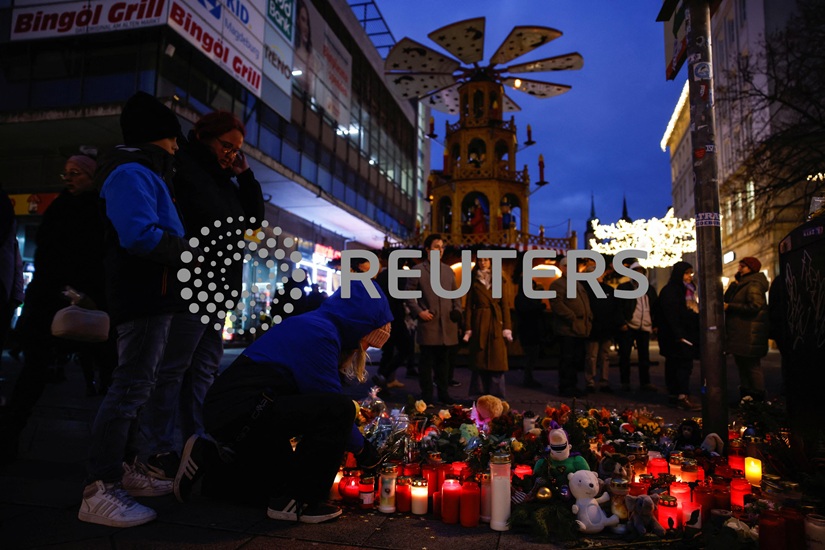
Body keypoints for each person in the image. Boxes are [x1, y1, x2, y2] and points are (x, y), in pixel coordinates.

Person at [172, 279, 392, 523]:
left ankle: (208, 460)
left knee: (274, 486)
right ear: (358, 325)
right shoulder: (320, 334)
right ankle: (300, 501)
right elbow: (330, 404)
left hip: (241, 409)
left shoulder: (316, 324)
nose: (365, 350)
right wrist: (363, 450)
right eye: (368, 341)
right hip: (245, 409)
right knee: (340, 410)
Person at [78, 92, 195, 527]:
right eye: (173, 137)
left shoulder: (143, 170)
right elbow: (139, 235)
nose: (178, 145)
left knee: (136, 388)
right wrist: (188, 253)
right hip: (143, 293)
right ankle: (100, 487)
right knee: (129, 389)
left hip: (150, 292)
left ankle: (121, 472)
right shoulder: (132, 172)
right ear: (156, 136)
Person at [140, 110, 264, 481]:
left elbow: (253, 224)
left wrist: (245, 176)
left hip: (218, 293)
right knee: (173, 369)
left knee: (204, 372)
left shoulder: (226, 182)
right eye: (227, 146)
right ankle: (158, 448)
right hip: (192, 288)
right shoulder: (185, 170)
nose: (231, 154)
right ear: (203, 137)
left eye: (237, 149)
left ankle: (197, 443)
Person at [1, 154, 117, 460]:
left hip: (68, 298)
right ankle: (117, 447)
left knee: (39, 372)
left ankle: (10, 435)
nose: (68, 178)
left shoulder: (88, 209)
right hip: (67, 298)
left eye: (76, 173)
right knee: (40, 371)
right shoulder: (84, 209)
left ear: (91, 176)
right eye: (66, 173)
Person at [406, 234, 462, 404]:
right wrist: (419, 312)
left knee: (443, 363)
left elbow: (455, 294)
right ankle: (427, 395)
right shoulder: (418, 270)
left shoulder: (448, 270)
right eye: (436, 247)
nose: (440, 250)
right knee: (426, 363)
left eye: (442, 247)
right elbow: (408, 295)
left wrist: (457, 310)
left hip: (447, 324)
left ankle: (443, 394)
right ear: (428, 249)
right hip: (429, 323)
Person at [462, 255, 513, 398]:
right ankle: (479, 397)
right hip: (479, 322)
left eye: (486, 259)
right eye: (480, 260)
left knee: (497, 361)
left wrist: (507, 327)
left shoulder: (499, 280)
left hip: (496, 323)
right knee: (479, 360)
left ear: (491, 261)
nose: (483, 263)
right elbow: (469, 307)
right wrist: (468, 327)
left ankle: (497, 398)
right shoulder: (473, 280)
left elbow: (505, 305)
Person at [723, 257, 769, 402]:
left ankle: (758, 400)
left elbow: (755, 306)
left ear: (751, 268)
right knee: (742, 366)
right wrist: (733, 285)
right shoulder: (741, 283)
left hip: (749, 333)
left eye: (742, 266)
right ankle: (747, 399)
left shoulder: (753, 284)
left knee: (752, 366)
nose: (739, 268)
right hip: (741, 332)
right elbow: (726, 298)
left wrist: (730, 307)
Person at [657, 261, 701, 411]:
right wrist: (679, 334)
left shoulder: (686, 290)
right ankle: (681, 396)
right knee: (681, 366)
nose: (689, 276)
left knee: (677, 365)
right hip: (677, 336)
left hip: (682, 334)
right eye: (686, 273)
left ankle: (676, 396)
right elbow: (672, 314)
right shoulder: (672, 291)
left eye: (690, 273)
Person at [549, 256, 591, 397]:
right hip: (567, 329)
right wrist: (572, 317)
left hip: (579, 329)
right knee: (567, 359)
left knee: (576, 359)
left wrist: (589, 317)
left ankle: (573, 385)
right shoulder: (558, 284)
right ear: (562, 268)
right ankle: (566, 386)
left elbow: (585, 302)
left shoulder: (577, 284)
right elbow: (557, 304)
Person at [373, 248, 413, 390]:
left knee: (388, 351)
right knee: (406, 348)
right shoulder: (400, 275)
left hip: (384, 317)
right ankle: (383, 375)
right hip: (396, 317)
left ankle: (381, 381)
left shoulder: (383, 276)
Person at [617, 262, 659, 393]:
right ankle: (625, 382)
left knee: (644, 357)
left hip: (644, 326)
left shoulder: (649, 289)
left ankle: (645, 382)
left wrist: (654, 324)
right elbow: (618, 307)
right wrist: (622, 322)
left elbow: (655, 307)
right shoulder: (624, 288)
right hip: (629, 326)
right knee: (625, 356)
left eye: (641, 272)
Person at [582, 258, 621, 393]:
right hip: (593, 328)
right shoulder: (585, 290)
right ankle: (590, 381)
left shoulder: (608, 289)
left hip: (606, 327)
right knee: (592, 356)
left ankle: (604, 381)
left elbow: (615, 307)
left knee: (604, 356)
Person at [514, 275, 546, 388]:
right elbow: (529, 310)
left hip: (531, 329)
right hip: (527, 329)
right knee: (530, 355)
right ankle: (528, 378)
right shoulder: (522, 298)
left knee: (532, 355)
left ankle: (528, 377)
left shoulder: (524, 297)